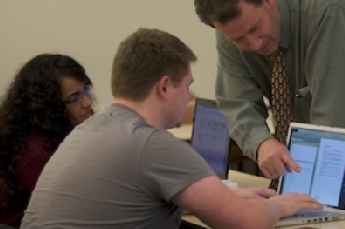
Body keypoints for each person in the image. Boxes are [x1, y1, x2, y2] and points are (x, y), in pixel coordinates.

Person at [21, 27, 322, 229]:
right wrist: (282, 205)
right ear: (164, 87)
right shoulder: (151, 144)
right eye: (187, 87)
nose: (187, 98)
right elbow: (243, 222)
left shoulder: (91, 129)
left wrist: (231, 196)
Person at [194, 0, 345, 207]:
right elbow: (236, 103)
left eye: (256, 28)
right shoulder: (231, 34)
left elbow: (333, 111)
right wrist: (261, 143)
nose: (255, 43)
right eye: (239, 39)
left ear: (269, 2)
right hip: (303, 133)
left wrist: (329, 187)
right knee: (304, 211)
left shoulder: (325, 10)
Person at [0, 54, 94, 228]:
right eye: (75, 98)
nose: (87, 103)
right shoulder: (37, 152)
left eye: (86, 90)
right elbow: (74, 208)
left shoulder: (60, 131)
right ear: (51, 107)